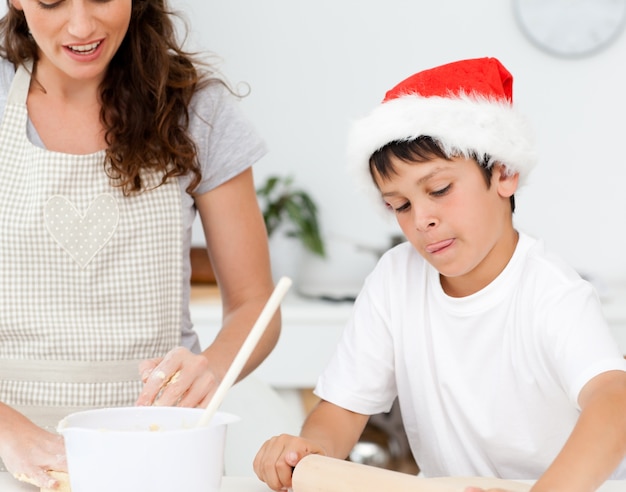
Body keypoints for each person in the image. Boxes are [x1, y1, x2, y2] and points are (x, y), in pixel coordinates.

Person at [253, 57, 626, 492]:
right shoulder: (395, 279)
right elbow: (341, 411)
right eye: (401, 206)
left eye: (440, 190)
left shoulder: (552, 292)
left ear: (504, 172)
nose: (422, 219)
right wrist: (305, 452)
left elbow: (615, 402)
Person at [0, 0, 280, 489]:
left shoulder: (195, 109)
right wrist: (7, 429)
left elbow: (256, 302)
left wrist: (210, 368)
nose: (82, 25)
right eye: (52, 1)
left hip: (161, 453)